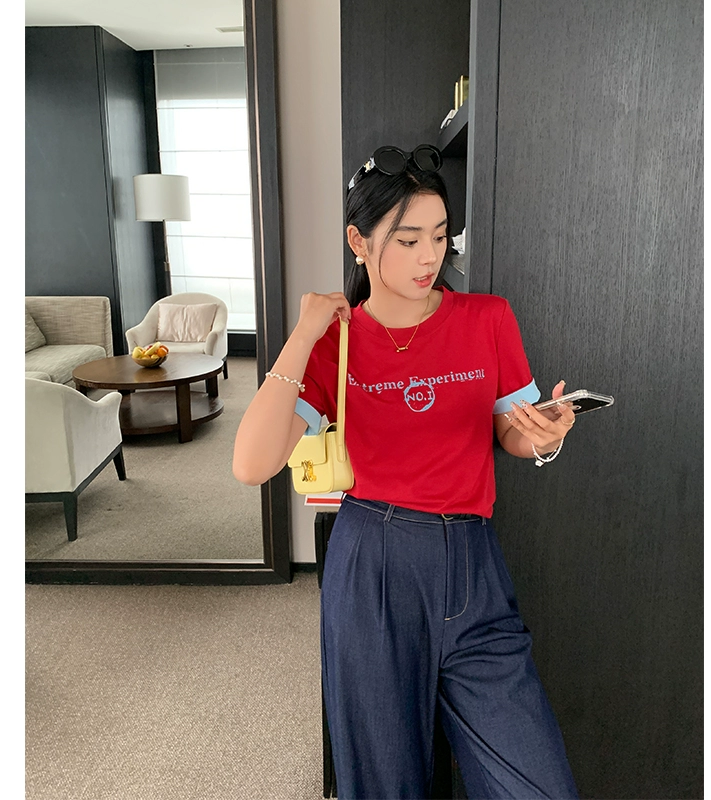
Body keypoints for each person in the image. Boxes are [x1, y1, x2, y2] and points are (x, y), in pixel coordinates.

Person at [233, 144, 580, 799]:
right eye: (409, 239)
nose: (430, 257)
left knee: (537, 786)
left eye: (441, 237)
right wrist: (303, 335)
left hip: (474, 568)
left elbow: (511, 430)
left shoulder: (488, 318)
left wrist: (544, 438)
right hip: (373, 564)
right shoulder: (334, 344)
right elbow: (251, 464)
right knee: (384, 783)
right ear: (358, 242)